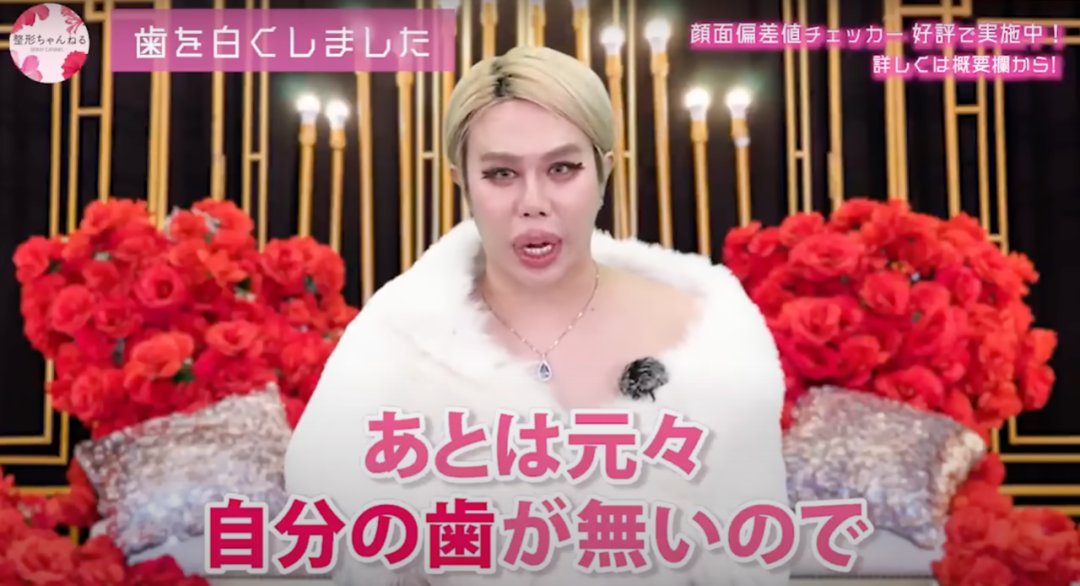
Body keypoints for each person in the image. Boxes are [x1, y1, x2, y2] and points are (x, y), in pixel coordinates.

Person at [286, 46, 789, 586]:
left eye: (563, 168)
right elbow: (326, 542)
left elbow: (753, 553)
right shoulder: (391, 347)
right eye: (501, 173)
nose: (533, 201)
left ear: (605, 170)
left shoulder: (705, 333)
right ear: (462, 181)